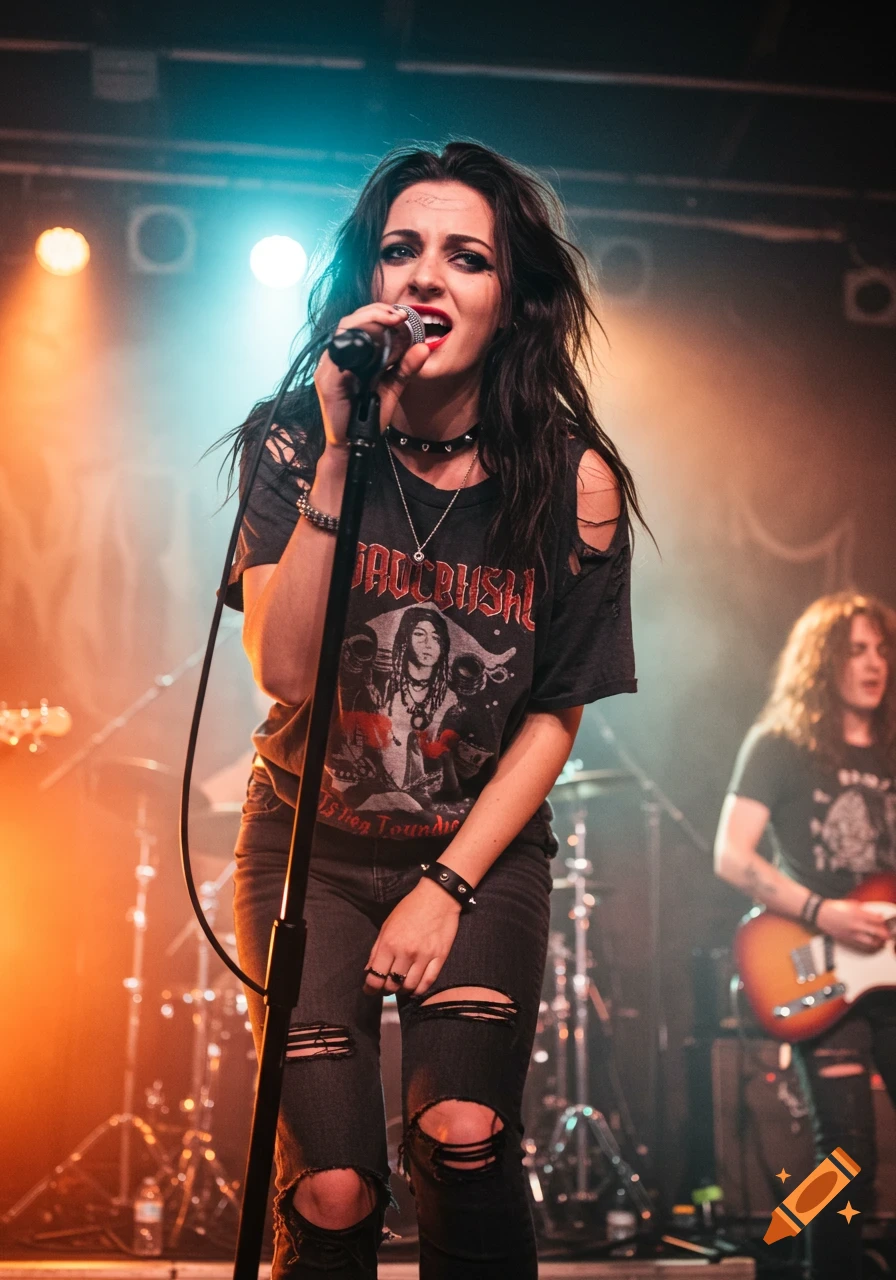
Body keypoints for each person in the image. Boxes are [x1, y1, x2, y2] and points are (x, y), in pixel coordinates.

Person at [222, 141, 642, 1279]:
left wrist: (447, 885)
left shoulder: (571, 477)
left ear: (510, 301)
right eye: (401, 249)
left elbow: (553, 713)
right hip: (305, 846)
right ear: (368, 278)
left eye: (466, 256)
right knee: (334, 1184)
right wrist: (335, 456)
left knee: (461, 1136)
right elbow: (288, 672)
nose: (425, 277)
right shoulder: (297, 433)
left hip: (477, 854)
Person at [715, 593, 896, 1280]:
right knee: (845, 1153)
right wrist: (822, 911)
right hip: (820, 968)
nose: (873, 662)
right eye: (855, 649)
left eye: (880, 648)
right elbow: (733, 856)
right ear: (824, 662)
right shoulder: (781, 744)